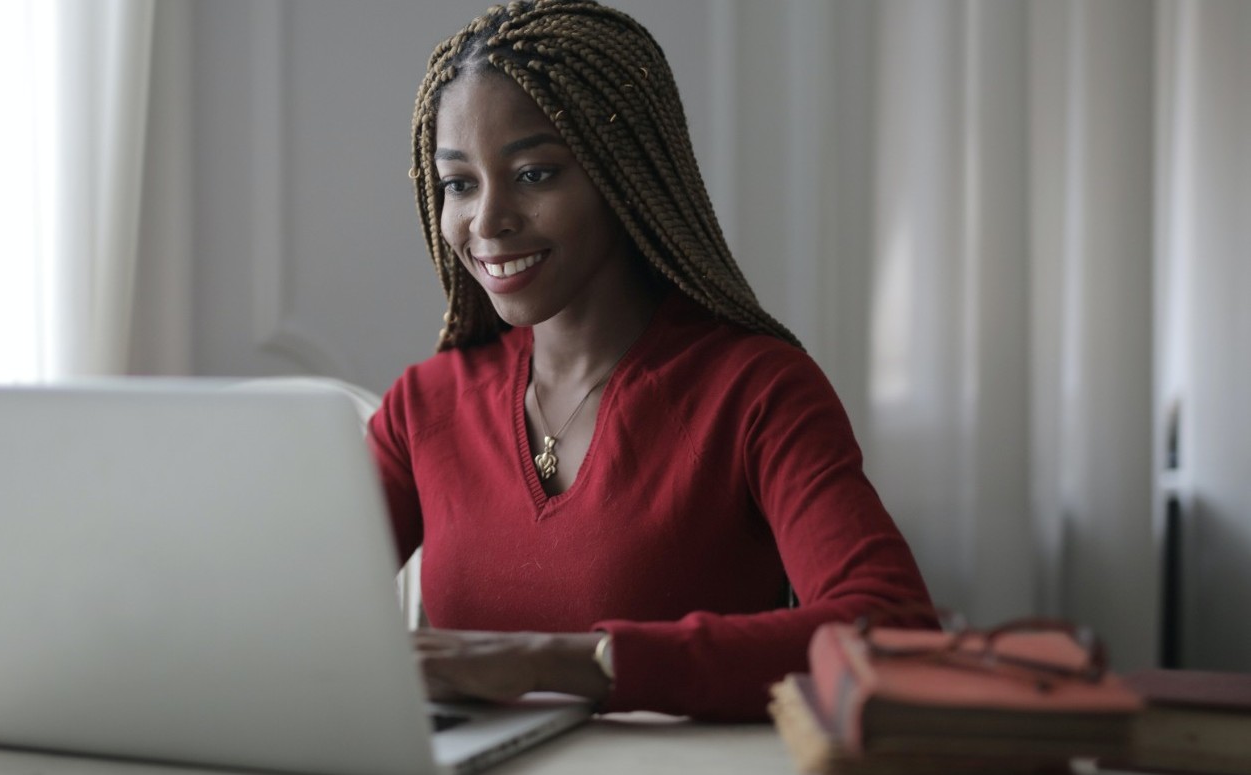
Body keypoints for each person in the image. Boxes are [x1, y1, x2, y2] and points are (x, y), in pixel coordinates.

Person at [366, 0, 933, 722]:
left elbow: (895, 630)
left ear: (623, 173)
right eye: (460, 183)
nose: (485, 221)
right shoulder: (425, 405)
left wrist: (563, 660)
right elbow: (285, 610)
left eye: (535, 174)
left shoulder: (756, 391)